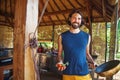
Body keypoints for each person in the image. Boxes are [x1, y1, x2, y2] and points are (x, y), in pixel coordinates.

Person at [56, 9, 95, 80]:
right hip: (68, 73)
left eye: (79, 18)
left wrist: (92, 62)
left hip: (83, 73)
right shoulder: (62, 36)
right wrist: (60, 62)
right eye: (74, 18)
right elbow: (59, 55)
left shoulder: (87, 36)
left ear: (81, 21)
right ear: (70, 19)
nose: (76, 20)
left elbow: (87, 54)